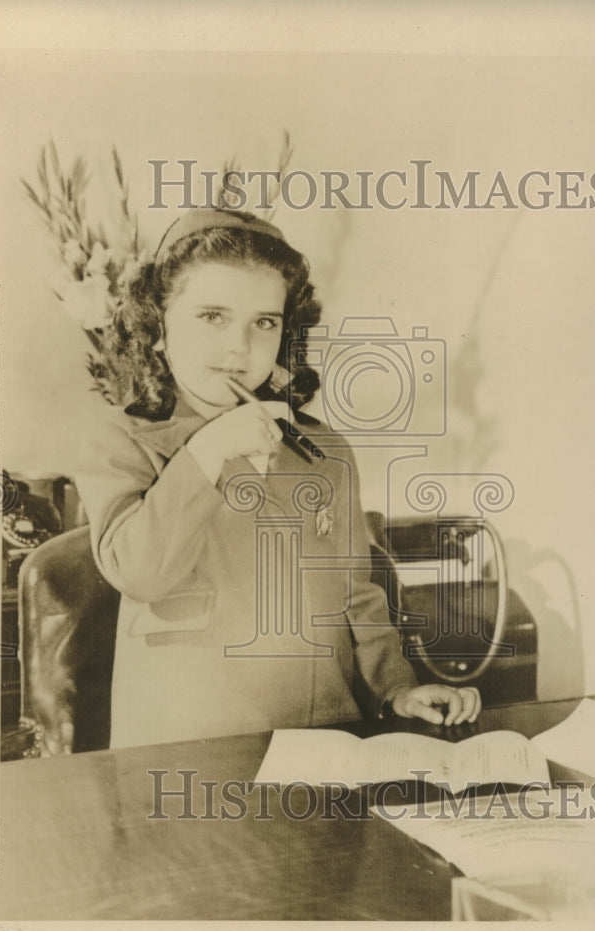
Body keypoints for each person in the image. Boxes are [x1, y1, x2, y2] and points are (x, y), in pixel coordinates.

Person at [76, 208, 480, 748]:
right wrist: (212, 449)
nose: (239, 346)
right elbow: (140, 572)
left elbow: (355, 594)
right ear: (157, 329)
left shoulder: (324, 450)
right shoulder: (119, 440)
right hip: (188, 751)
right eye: (212, 316)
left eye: (264, 322)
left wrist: (396, 689)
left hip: (326, 735)